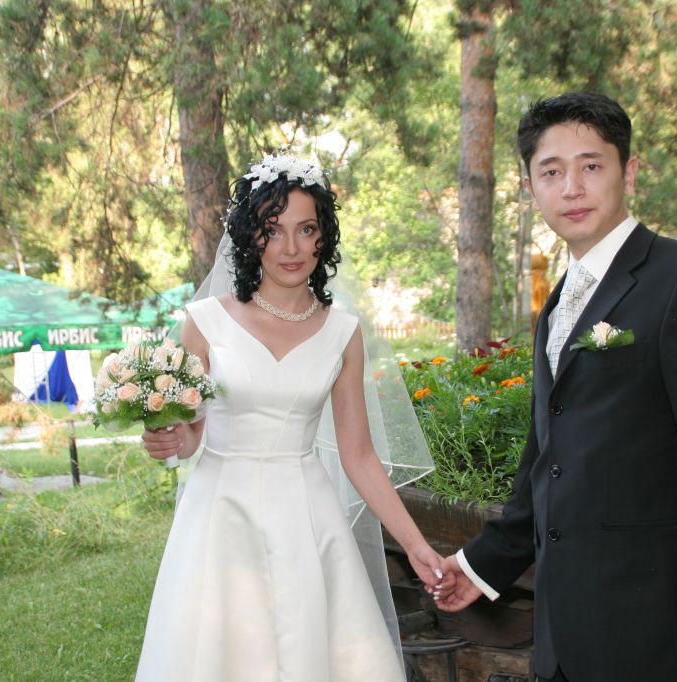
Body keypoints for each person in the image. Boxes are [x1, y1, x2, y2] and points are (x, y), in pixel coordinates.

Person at [435, 93, 677, 682]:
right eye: (551, 172)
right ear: (530, 188)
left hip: (657, 632)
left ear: (628, 173)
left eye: (591, 165)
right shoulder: (559, 302)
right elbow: (550, 457)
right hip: (564, 637)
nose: (572, 188)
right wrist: (479, 566)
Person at [135, 154, 447, 681]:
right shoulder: (205, 321)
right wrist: (168, 440)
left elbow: (359, 455)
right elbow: (191, 433)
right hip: (220, 514)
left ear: (323, 237)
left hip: (306, 516)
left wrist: (417, 546)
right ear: (250, 235)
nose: (291, 248)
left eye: (306, 230)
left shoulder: (343, 333)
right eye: (273, 230)